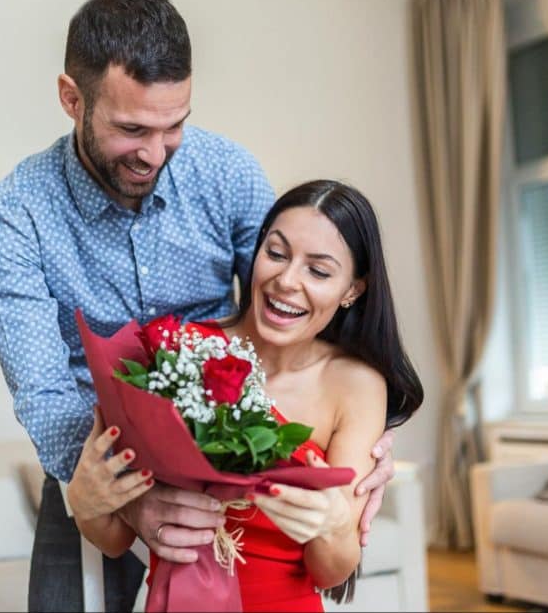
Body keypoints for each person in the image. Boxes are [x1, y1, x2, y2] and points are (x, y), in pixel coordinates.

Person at [0, 0, 398, 613]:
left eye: (175, 125)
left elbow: (295, 298)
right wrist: (125, 502)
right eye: (131, 128)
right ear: (72, 98)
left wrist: (356, 456)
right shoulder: (15, 217)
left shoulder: (225, 172)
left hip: (229, 471)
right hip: (98, 464)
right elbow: (45, 393)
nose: (155, 152)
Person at [66, 180, 424, 611]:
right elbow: (114, 538)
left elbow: (332, 571)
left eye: (319, 271)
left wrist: (333, 526)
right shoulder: (182, 350)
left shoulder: (356, 384)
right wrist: (86, 502)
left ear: (353, 290)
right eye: (276, 253)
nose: (287, 280)